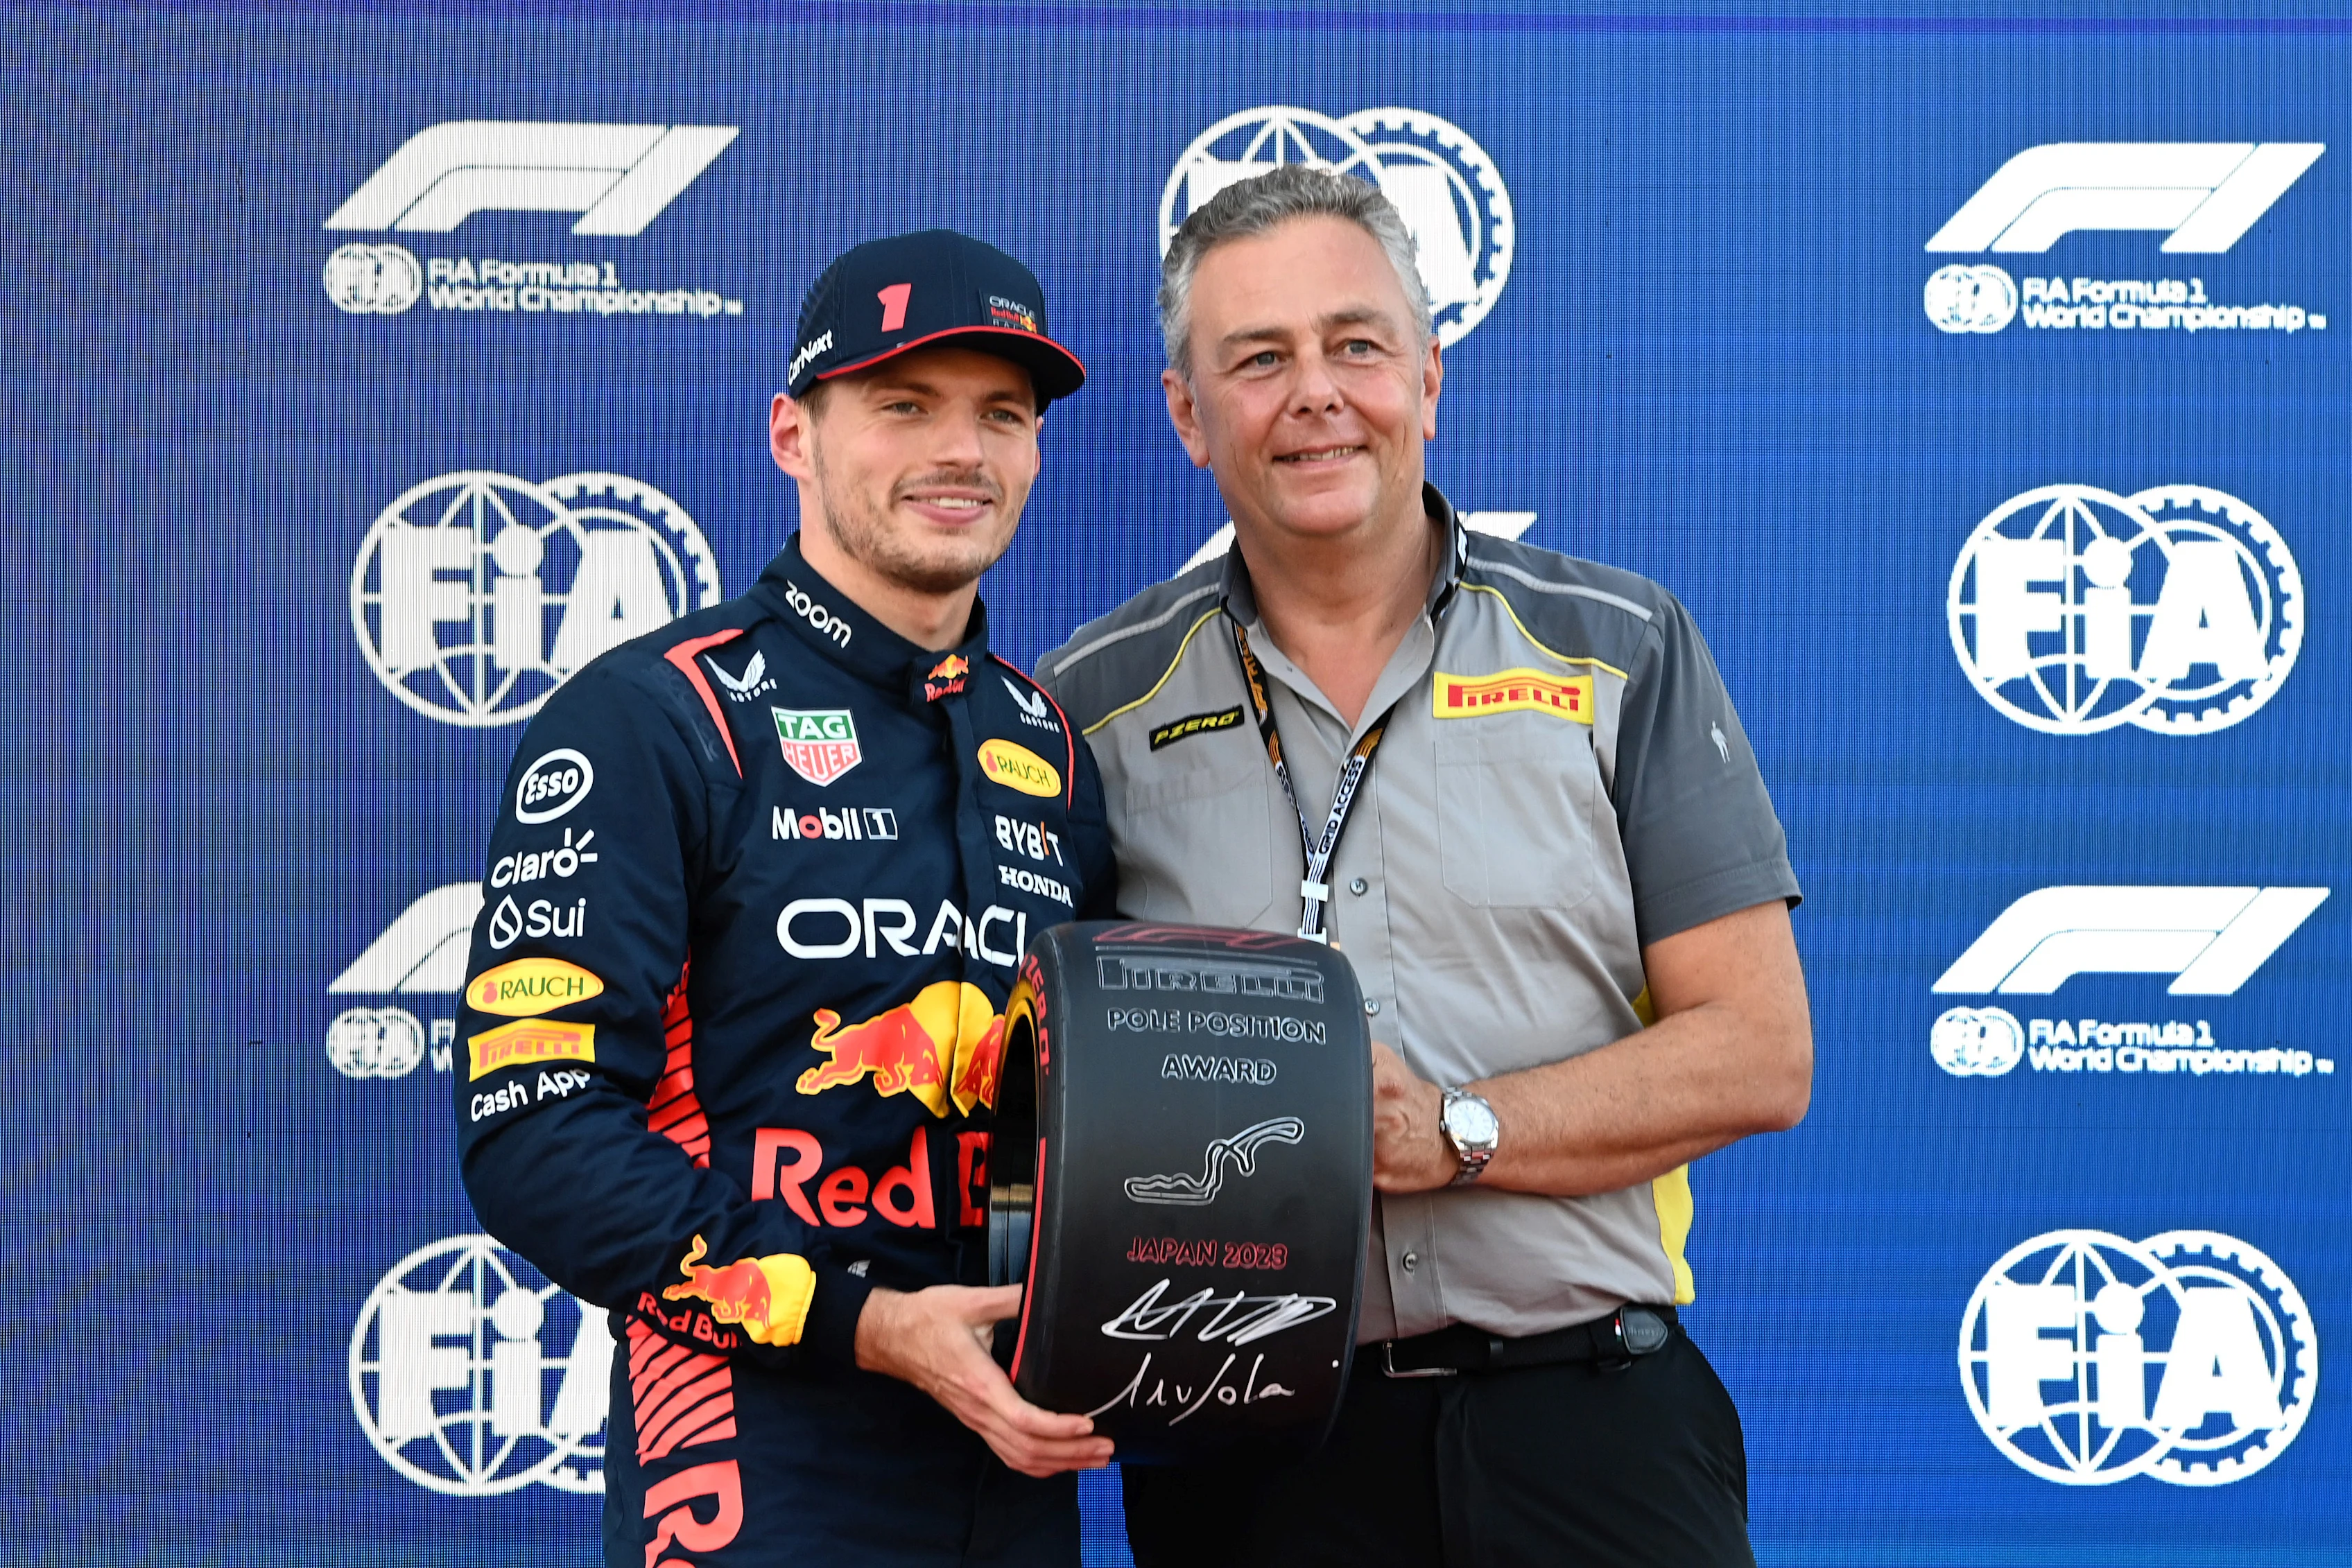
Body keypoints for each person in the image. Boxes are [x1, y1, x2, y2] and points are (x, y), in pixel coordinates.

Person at [1037, 167, 1813, 1567]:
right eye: (1257, 360)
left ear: (1428, 378)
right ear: (1186, 415)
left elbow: (1758, 1052)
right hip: (1246, 1448)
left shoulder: (1619, 646)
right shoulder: (1090, 707)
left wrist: (1456, 1132)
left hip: (1587, 1421)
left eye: (1355, 344)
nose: (1315, 393)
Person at [455, 228, 1120, 1568]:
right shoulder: (655, 716)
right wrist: (868, 1323)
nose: (962, 452)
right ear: (792, 433)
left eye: (1003, 414)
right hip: (754, 1442)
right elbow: (535, 1133)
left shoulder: (1049, 745)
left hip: (1010, 1459)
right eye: (903, 405)